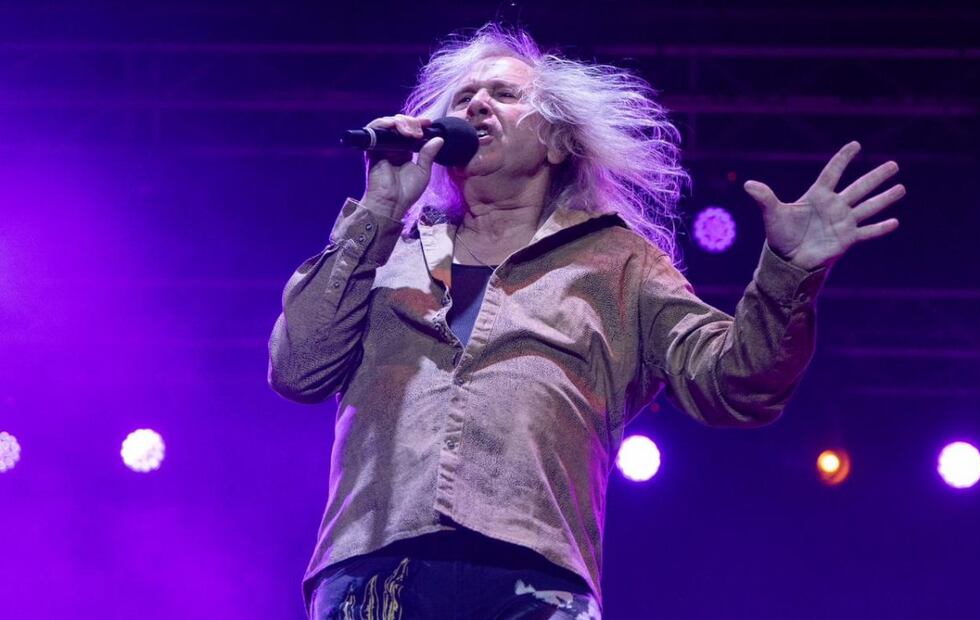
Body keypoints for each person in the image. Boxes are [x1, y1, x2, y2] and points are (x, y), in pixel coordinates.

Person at [268, 24, 905, 620]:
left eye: (504, 95)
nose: (478, 107)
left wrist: (787, 274)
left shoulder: (617, 262)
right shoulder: (385, 250)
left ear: (557, 141)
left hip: (536, 578)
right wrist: (378, 210)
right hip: (375, 564)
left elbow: (736, 384)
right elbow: (298, 368)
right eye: (464, 98)